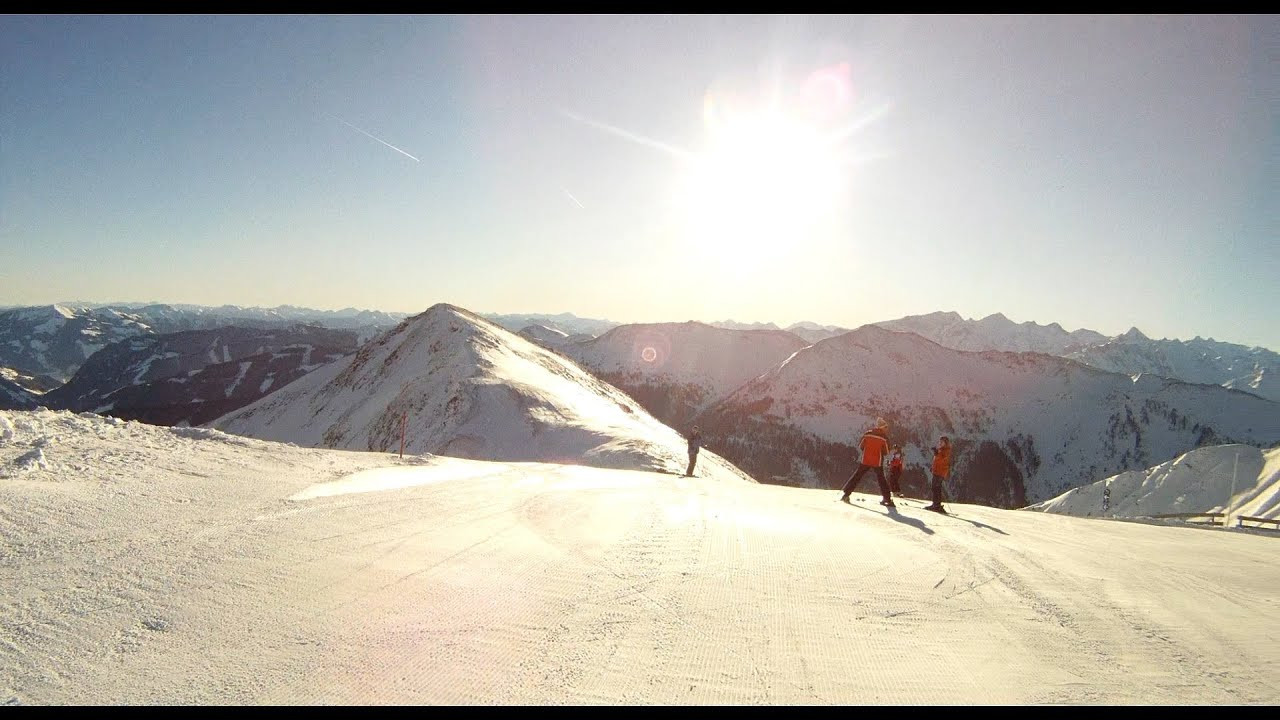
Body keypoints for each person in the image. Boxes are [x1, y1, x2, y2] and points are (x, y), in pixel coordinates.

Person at [840, 418, 894, 507]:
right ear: (882, 427)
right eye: (886, 427)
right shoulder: (884, 438)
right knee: (881, 480)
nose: (887, 429)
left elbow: (861, 446)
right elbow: (886, 452)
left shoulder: (867, 434)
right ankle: (887, 499)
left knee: (857, 476)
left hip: (865, 460)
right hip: (877, 461)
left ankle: (846, 494)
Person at [926, 436, 951, 513]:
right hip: (937, 471)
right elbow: (937, 461)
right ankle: (935, 504)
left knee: (936, 488)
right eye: (940, 442)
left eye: (942, 442)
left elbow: (942, 459)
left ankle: (937, 505)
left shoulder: (945, 450)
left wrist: (936, 453)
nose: (940, 443)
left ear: (945, 443)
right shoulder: (941, 450)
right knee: (935, 488)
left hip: (940, 473)